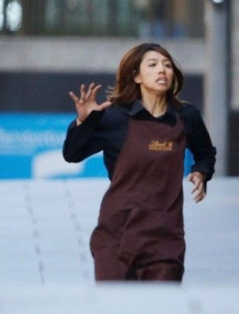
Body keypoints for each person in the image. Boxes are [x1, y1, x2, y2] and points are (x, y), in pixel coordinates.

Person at [63, 42, 216, 282]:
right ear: (136, 76)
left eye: (167, 65)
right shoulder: (114, 117)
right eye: (153, 65)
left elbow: (205, 152)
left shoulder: (186, 116)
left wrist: (201, 172)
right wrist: (85, 121)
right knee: (116, 311)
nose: (162, 70)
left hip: (165, 236)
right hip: (117, 233)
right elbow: (72, 154)